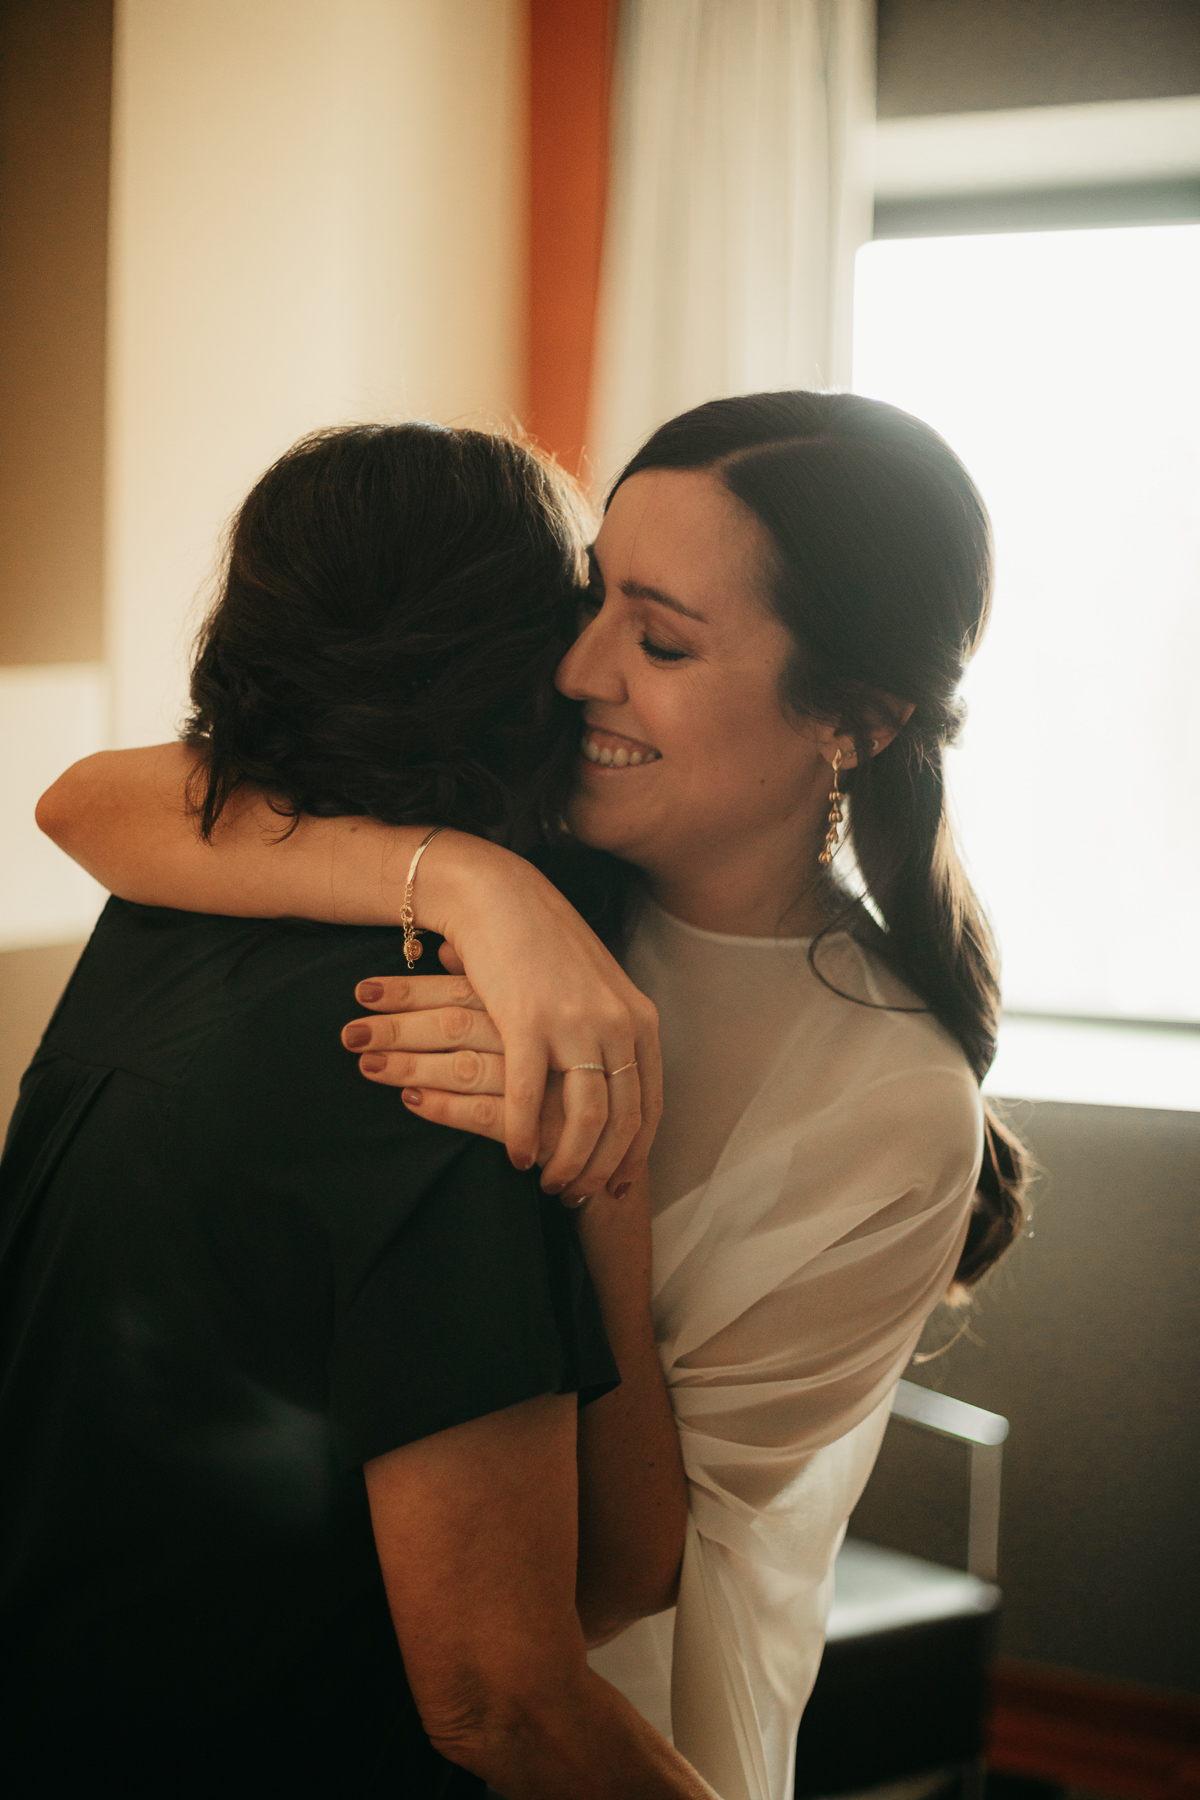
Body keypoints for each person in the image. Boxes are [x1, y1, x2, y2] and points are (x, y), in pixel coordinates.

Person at [40, 392, 1029, 1800]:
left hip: (616, 1721)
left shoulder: (887, 1103)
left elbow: (616, 1584)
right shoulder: (524, 831)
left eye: (661, 637)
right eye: (592, 599)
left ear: (855, 721)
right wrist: (471, 883)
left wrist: (594, 1166)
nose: (574, 669)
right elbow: (91, 803)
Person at [2, 423, 718, 1800]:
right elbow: (517, 1677)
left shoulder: (166, 910)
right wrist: (604, 1158)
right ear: (527, 663)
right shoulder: (438, 1044)